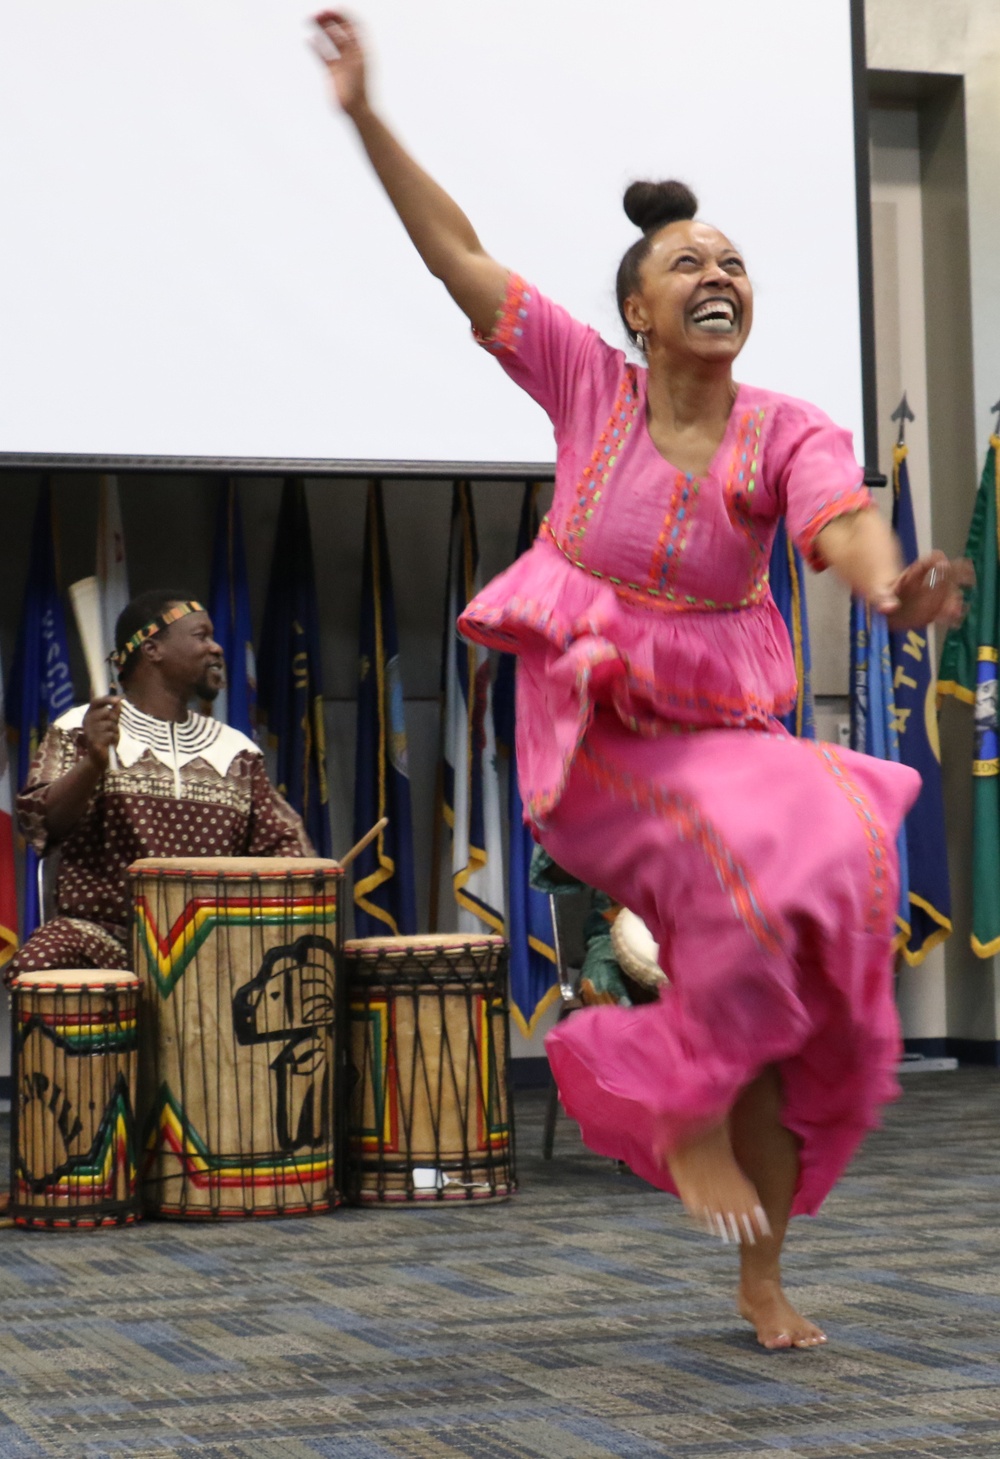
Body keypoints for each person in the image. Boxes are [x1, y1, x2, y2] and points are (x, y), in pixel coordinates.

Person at [311, 13, 967, 1349]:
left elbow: (837, 513)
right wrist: (366, 115)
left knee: (833, 888)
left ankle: (761, 1265)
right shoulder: (582, 382)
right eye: (687, 263)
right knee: (764, 847)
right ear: (637, 307)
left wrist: (886, 584)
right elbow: (456, 259)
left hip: (725, 727)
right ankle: (678, 1090)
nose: (718, 273)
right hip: (594, 725)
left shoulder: (789, 426)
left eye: (733, 261)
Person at [7, 590, 311, 980]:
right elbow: (40, 822)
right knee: (39, 964)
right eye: (201, 636)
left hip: (214, 946)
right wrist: (94, 763)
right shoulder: (81, 728)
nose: (217, 648)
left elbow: (284, 844)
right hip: (104, 939)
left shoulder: (237, 751)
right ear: (152, 649)